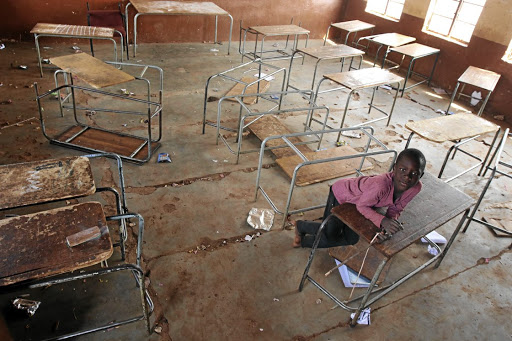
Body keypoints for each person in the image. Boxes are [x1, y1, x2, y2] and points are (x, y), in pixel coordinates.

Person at [292, 148, 426, 248]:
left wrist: (387, 226)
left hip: (364, 202)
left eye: (414, 173)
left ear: (421, 175)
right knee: (330, 234)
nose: (407, 177)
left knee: (351, 239)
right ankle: (301, 226)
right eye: (403, 170)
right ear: (394, 168)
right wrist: (382, 220)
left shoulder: (415, 188)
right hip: (342, 195)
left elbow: (396, 208)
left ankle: (303, 238)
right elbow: (361, 206)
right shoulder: (381, 186)